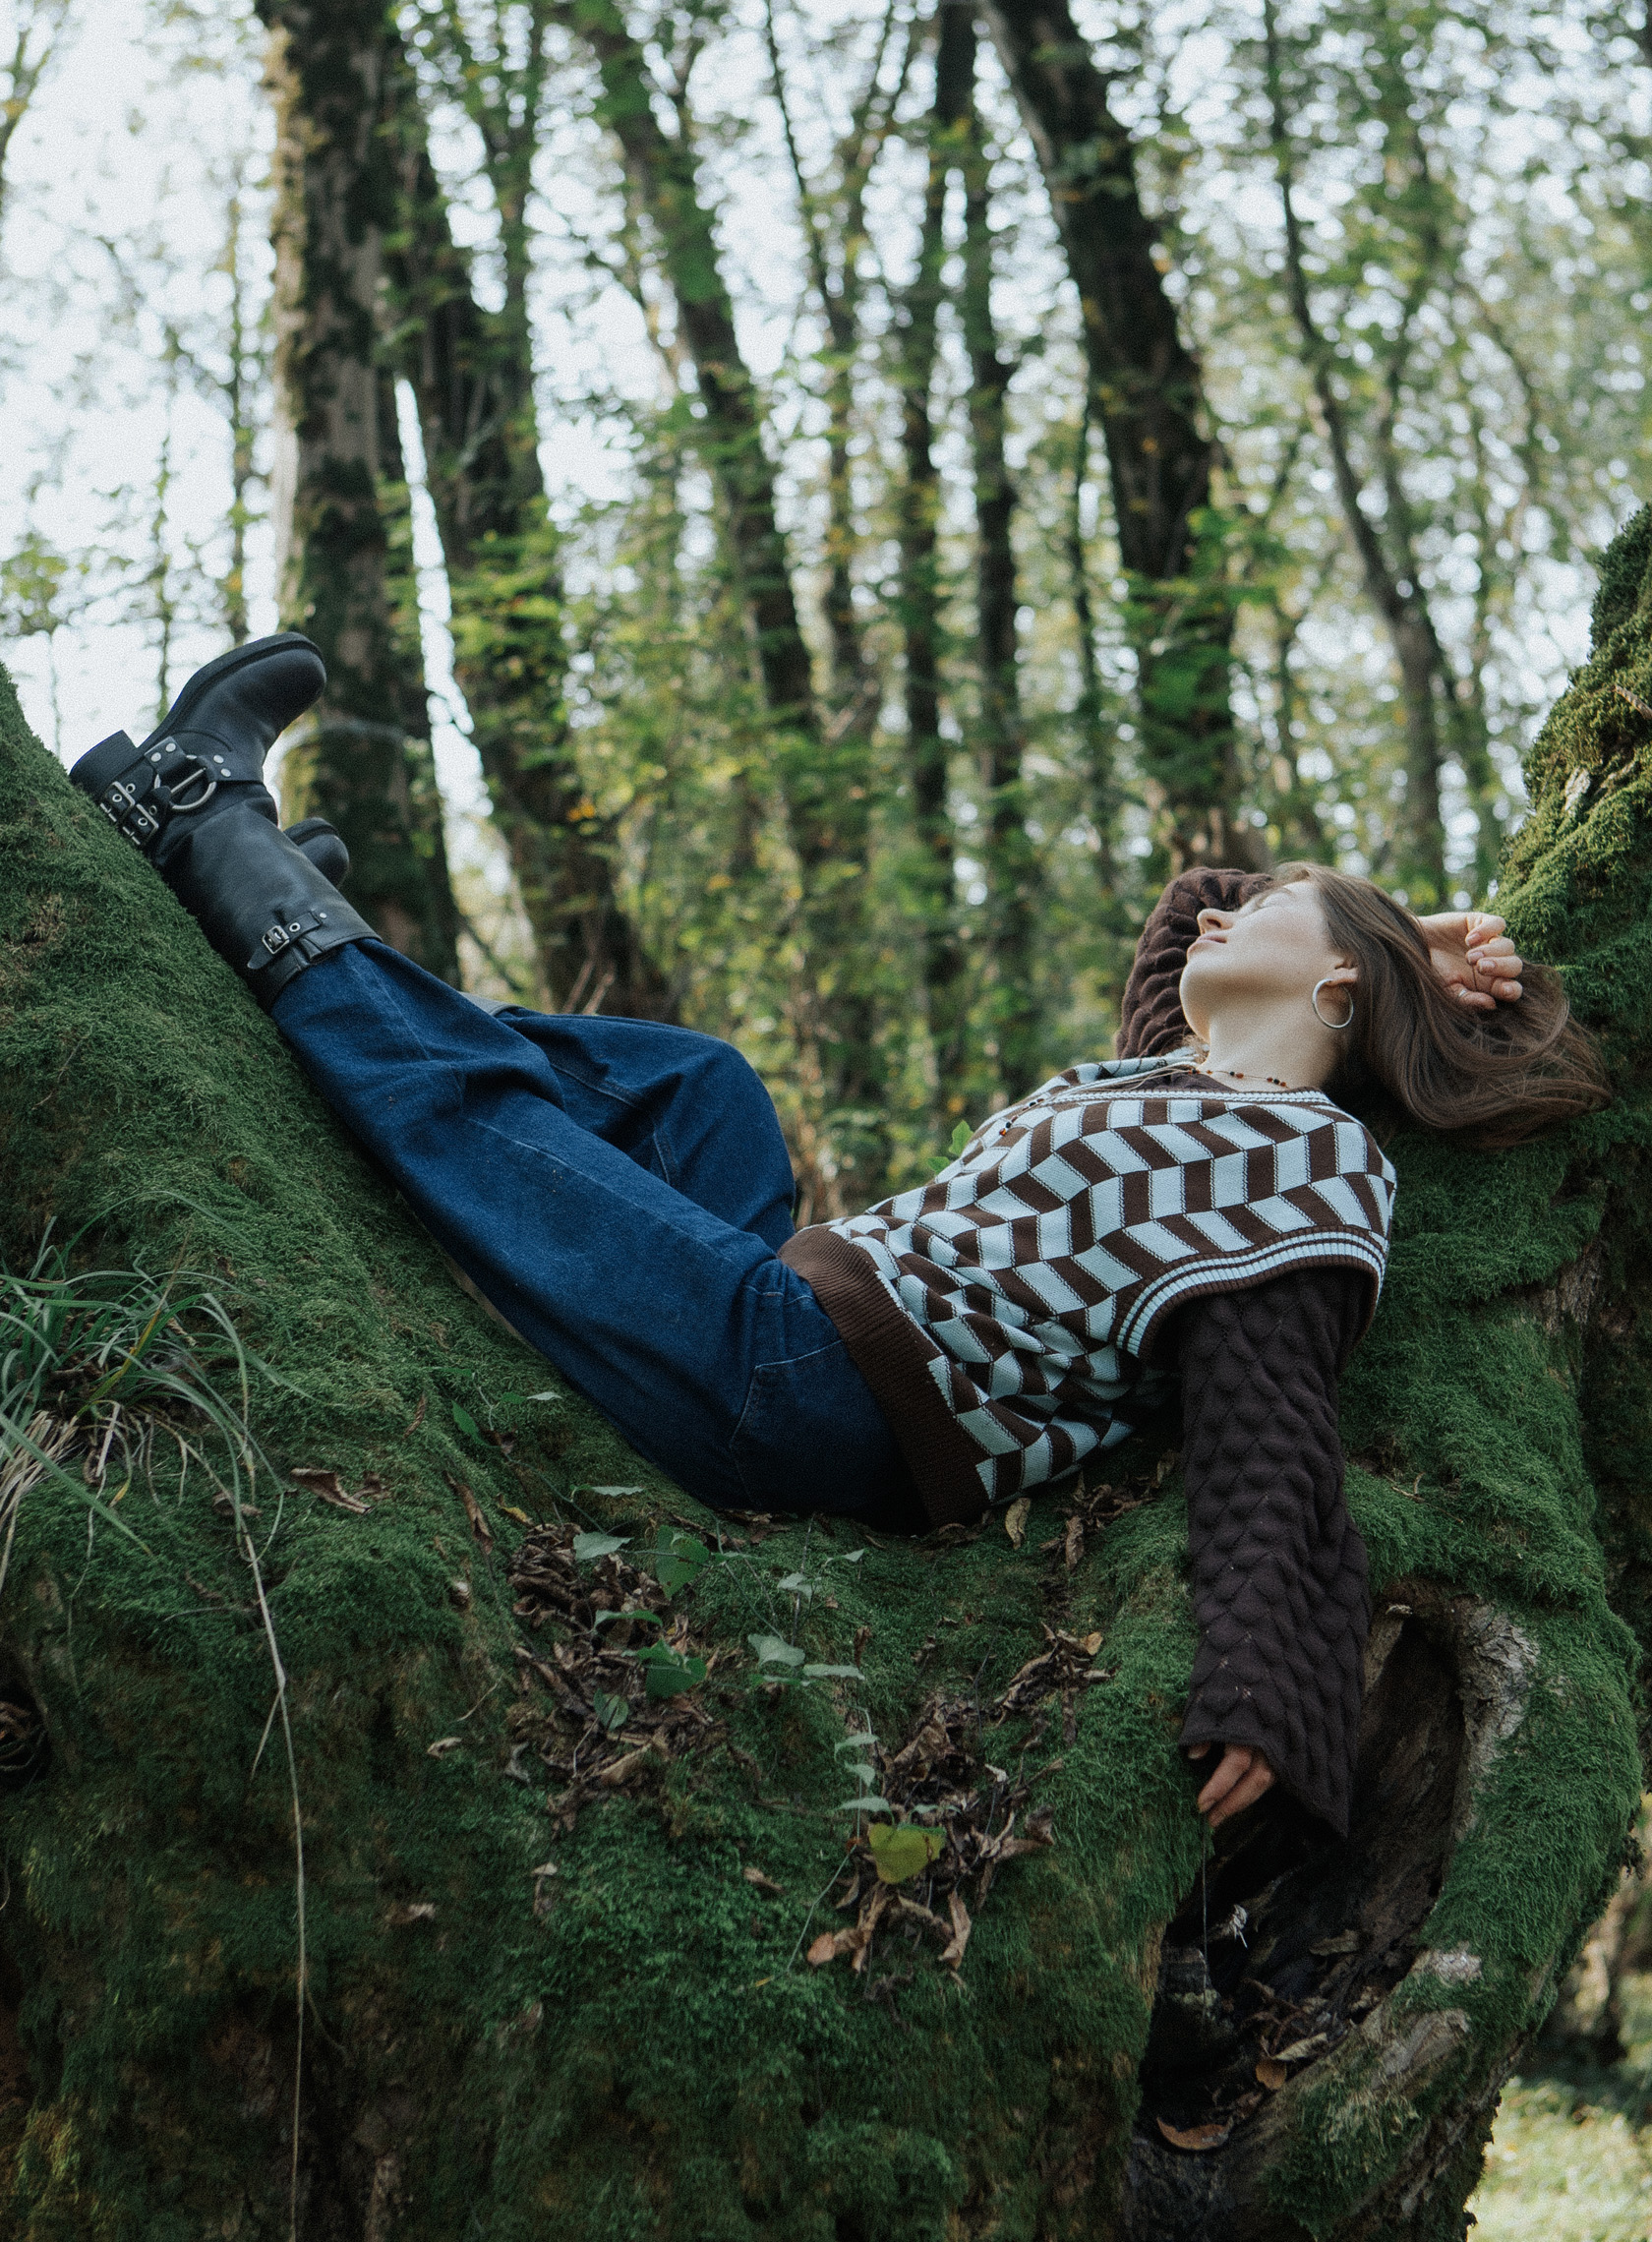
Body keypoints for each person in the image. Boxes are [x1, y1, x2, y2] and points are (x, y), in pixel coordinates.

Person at [70, 636, 1609, 1841]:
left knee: (495, 1125)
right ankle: (319, 965)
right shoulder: (1175, 1079)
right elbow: (1195, 902)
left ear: (1334, 993)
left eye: (1276, 913)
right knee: (701, 1089)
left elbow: (1271, 1433)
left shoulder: (1304, 1169)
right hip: (790, 1308)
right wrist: (1400, 930)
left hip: (817, 1388)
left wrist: (1271, 1681)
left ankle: (211, 835)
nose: (1221, 916)